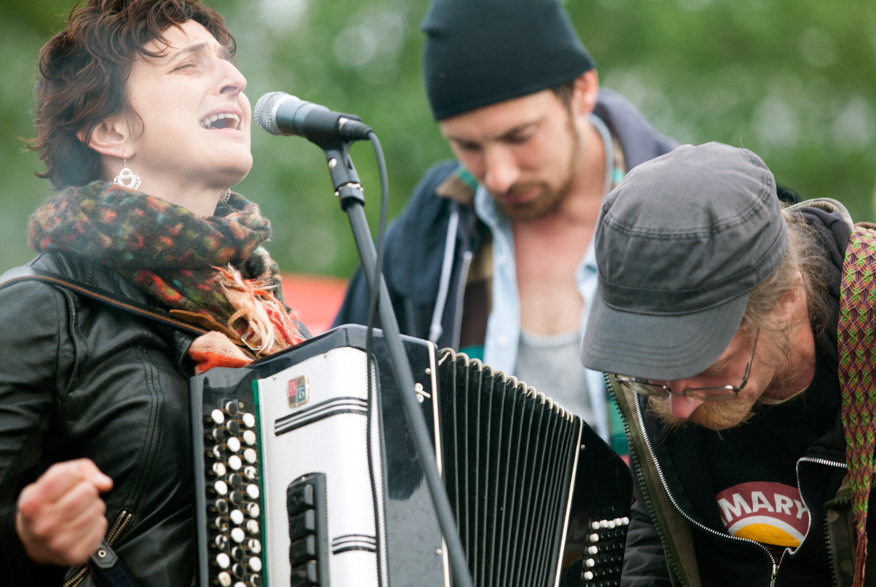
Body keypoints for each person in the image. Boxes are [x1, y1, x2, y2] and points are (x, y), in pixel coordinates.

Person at [0, 1, 305, 585]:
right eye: (189, 66)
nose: (236, 80)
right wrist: (27, 540)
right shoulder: (44, 307)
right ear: (111, 131)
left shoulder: (265, 311)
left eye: (226, 63)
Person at [333, 0, 677, 449]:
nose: (498, 176)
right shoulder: (430, 228)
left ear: (582, 90)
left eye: (520, 137)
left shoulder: (696, 211)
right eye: (467, 146)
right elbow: (342, 380)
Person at [581, 142, 872, 586]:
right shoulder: (656, 381)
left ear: (786, 302)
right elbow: (657, 535)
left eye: (709, 369)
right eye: (654, 379)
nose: (678, 408)